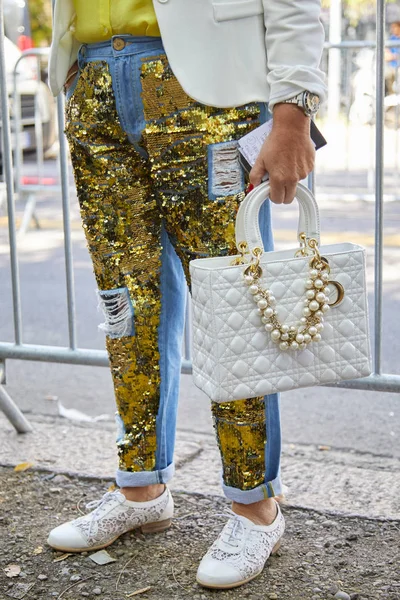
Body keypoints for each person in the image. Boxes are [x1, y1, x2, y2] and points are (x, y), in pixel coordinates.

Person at [46, 0, 327, 589]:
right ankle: (140, 485)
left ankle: (256, 507)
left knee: (233, 304)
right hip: (95, 81)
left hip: (204, 95)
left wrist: (294, 113)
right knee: (127, 303)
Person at [385, 21, 400, 95]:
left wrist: (393, 56)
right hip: (392, 67)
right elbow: (386, 55)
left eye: (395, 27)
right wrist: (395, 56)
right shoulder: (392, 38)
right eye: (392, 27)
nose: (393, 29)